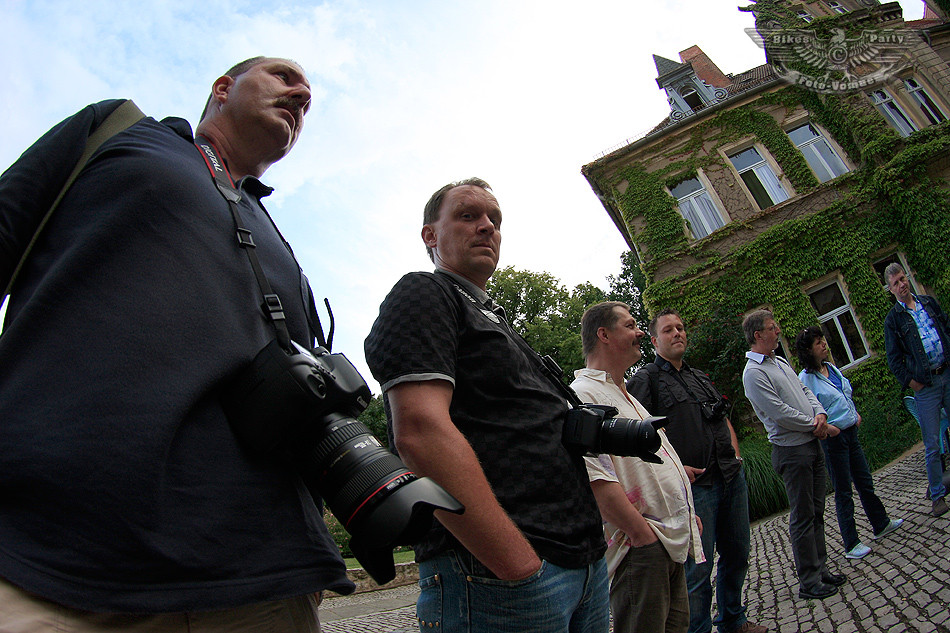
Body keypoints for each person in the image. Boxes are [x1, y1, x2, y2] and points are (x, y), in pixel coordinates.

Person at [0, 57, 354, 629]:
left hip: (265, 577)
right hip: (49, 555)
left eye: (309, 99)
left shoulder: (279, 240)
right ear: (223, 88)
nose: (301, 94)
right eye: (284, 77)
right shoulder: (115, 131)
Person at [364, 178, 609, 633]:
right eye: (467, 215)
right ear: (430, 235)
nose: (486, 227)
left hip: (583, 562)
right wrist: (516, 564)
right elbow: (419, 432)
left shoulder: (493, 317)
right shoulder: (424, 293)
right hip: (503, 578)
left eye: (494, 220)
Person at [628, 308, 766, 633]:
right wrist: (669, 474)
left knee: (738, 555)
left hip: (731, 478)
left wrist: (735, 452)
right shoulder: (646, 380)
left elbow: (722, 417)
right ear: (654, 340)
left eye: (680, 327)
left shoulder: (699, 377)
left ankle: (733, 619)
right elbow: (637, 436)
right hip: (694, 489)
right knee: (697, 572)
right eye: (668, 330)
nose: (677, 333)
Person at [574, 302, 703, 633]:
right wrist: (642, 536)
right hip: (642, 549)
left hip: (663, 542)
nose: (640, 332)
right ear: (604, 334)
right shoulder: (584, 396)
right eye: (630, 326)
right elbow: (596, 479)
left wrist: (684, 511)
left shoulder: (625, 394)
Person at [741, 310, 845, 601]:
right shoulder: (754, 373)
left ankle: (821, 569)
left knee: (817, 511)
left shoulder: (780, 362)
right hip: (791, 450)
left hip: (811, 442)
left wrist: (820, 413)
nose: (778, 331)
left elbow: (804, 391)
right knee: (802, 515)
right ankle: (809, 580)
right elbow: (779, 414)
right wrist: (816, 425)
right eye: (773, 328)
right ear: (758, 335)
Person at [795, 326, 903, 559]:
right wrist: (830, 428)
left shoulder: (830, 368)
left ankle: (880, 522)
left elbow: (843, 395)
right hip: (834, 439)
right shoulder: (805, 379)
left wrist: (854, 415)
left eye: (823, 339)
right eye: (818, 343)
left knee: (864, 481)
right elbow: (810, 410)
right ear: (808, 351)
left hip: (850, 432)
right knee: (843, 490)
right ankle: (851, 542)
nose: (824, 344)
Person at [883, 262, 950, 516]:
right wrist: (912, 382)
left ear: (907, 278)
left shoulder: (927, 303)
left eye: (903, 279)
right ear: (890, 289)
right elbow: (894, 359)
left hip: (946, 371)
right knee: (932, 443)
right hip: (926, 386)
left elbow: (946, 329)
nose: (901, 285)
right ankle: (937, 496)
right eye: (895, 283)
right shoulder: (894, 320)